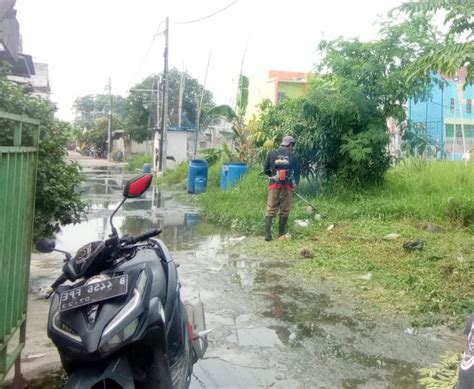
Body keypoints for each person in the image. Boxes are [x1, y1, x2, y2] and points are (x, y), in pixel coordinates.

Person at [263, 135, 301, 241]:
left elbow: (265, 169)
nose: (292, 147)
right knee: (285, 210)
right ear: (290, 144)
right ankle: (280, 234)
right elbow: (297, 172)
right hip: (287, 186)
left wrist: (273, 176)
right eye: (292, 145)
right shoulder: (293, 156)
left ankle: (267, 235)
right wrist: (296, 184)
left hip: (274, 185)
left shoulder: (272, 153)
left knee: (270, 209)